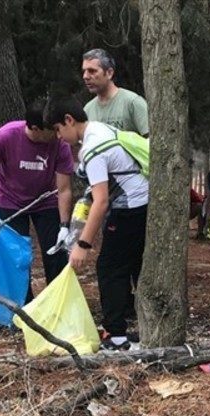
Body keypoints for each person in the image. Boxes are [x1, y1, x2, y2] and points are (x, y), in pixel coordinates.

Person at [45, 96, 148, 351]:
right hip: (143, 202)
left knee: (109, 268)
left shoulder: (92, 149)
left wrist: (82, 244)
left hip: (129, 208)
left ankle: (115, 335)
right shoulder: (101, 129)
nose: (59, 137)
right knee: (134, 264)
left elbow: (101, 202)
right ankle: (142, 326)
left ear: (69, 120)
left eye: (58, 130)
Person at [0, 101, 73, 288]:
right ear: (36, 129)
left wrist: (64, 225)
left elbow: (64, 189)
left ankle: (56, 300)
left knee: (55, 254)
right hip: (11, 201)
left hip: (46, 202)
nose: (58, 134)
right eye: (52, 130)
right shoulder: (7, 135)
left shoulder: (60, 144)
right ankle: (22, 305)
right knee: (16, 255)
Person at [82, 48, 149, 135]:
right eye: (84, 71)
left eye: (92, 71)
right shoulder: (87, 110)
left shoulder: (132, 103)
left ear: (109, 73)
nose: (85, 76)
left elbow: (152, 141)